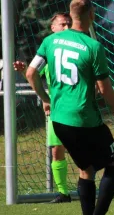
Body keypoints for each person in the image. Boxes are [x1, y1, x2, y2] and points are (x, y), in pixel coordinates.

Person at [26, 0, 114, 215]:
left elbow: (31, 72)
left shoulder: (50, 41)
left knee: (86, 169)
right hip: (86, 120)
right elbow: (105, 89)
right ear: (91, 15)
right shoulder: (93, 47)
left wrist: (46, 98)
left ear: (71, 15)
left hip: (60, 120)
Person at [14, 12, 73, 203]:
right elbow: (34, 76)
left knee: (83, 149)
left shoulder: (77, 48)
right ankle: (63, 193)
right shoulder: (49, 51)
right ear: (53, 28)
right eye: (62, 24)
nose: (66, 27)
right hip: (57, 109)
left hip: (78, 107)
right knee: (57, 150)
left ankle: (87, 187)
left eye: (69, 24)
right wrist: (24, 71)